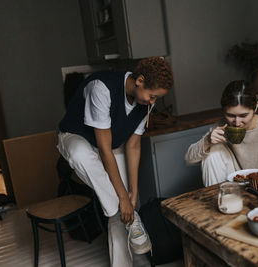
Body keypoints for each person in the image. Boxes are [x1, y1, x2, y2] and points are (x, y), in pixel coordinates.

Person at [57, 57, 173, 266]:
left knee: (123, 207)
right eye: (152, 96)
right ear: (139, 80)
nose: (153, 102)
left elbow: (133, 145)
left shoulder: (145, 102)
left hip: (112, 146)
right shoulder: (101, 88)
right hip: (76, 138)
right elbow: (102, 148)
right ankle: (130, 215)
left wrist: (133, 192)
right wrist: (122, 197)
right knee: (81, 156)